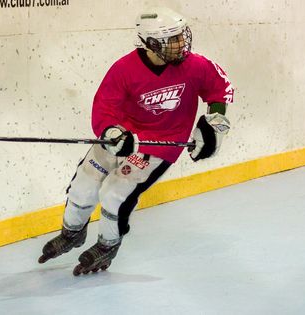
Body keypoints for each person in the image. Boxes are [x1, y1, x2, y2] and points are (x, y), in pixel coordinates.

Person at [38, 6, 234, 276]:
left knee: (114, 194)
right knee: (83, 185)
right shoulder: (124, 69)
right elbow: (105, 107)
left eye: (181, 36)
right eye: (173, 39)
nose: (181, 44)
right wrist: (111, 133)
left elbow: (219, 88)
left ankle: (108, 244)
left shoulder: (196, 65)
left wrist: (215, 122)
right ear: (151, 43)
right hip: (122, 139)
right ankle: (72, 233)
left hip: (160, 145)